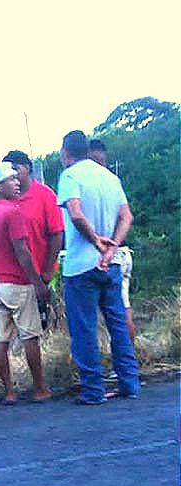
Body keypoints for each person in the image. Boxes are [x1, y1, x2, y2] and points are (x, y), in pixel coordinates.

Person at [57, 130, 140, 404]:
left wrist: (96, 241)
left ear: (66, 152)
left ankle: (94, 391)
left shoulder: (70, 176)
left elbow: (75, 212)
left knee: (84, 329)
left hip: (82, 264)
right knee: (117, 325)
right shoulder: (109, 177)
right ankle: (130, 383)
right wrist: (113, 245)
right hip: (111, 263)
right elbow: (126, 215)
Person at [0, 163, 52, 405]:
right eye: (11, 180)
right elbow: (22, 251)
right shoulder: (13, 212)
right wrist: (37, 282)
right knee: (30, 335)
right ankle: (40, 388)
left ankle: (9, 392)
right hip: (17, 282)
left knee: (1, 339)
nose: (17, 182)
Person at [88, 140, 137, 345]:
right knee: (121, 308)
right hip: (120, 251)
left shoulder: (95, 184)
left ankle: (128, 360)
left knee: (118, 312)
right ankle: (128, 360)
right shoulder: (112, 181)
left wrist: (111, 246)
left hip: (111, 253)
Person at [1, 151, 64, 288]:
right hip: (12, 279)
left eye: (15, 169)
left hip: (41, 276)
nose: (12, 175)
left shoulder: (46, 196)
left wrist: (47, 272)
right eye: (8, 172)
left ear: (28, 168)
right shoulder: (4, 201)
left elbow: (57, 234)